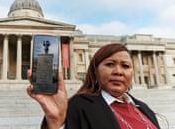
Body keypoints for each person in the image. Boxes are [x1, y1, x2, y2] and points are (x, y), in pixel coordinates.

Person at [27, 43, 161, 129]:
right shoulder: (78, 106)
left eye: (125, 66)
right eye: (110, 64)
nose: (118, 71)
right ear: (95, 70)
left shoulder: (143, 108)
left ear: (132, 72)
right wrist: (55, 122)